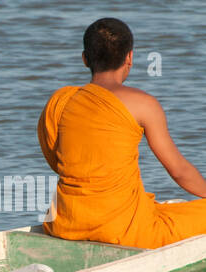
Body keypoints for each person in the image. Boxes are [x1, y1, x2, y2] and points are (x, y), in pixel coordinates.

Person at [39, 17, 206, 247]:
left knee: (158, 207)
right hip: (122, 230)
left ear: (85, 59)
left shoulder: (61, 100)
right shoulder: (143, 103)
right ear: (130, 57)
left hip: (65, 223)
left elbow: (58, 161)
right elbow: (179, 171)